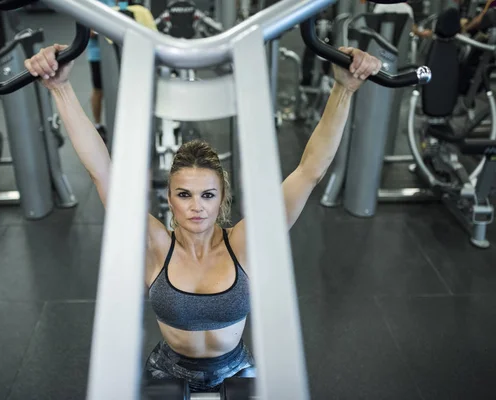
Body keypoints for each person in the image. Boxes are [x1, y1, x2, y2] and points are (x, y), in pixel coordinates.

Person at [24, 41, 382, 392]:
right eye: (184, 194)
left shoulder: (243, 243)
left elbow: (309, 172)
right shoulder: (155, 244)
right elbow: (102, 172)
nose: (197, 207)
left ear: (222, 198)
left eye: (207, 195)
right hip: (168, 370)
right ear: (169, 198)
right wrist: (61, 88)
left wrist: (344, 90)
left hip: (236, 369)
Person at [87, 0, 116, 142]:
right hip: (97, 54)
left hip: (118, 51)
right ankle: (98, 125)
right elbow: (91, 32)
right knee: (98, 90)